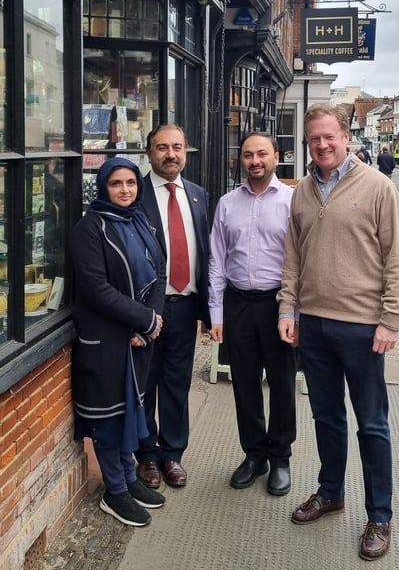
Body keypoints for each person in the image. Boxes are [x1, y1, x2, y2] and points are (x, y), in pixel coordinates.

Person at [278, 104, 399, 561]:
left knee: (372, 425)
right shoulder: (302, 192)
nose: (322, 145)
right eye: (314, 139)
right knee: (326, 418)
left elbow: (397, 259)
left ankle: (380, 516)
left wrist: (391, 320)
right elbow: (292, 257)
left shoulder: (378, 187)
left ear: (346, 136)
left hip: (363, 329)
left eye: (329, 137)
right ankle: (331, 491)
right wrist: (287, 309)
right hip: (313, 325)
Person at [70, 157, 166, 527]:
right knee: (109, 418)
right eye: (116, 184)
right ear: (103, 187)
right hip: (106, 341)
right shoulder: (90, 228)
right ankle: (115, 490)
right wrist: (144, 319)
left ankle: (128, 477)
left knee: (131, 410)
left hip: (138, 338)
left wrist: (151, 322)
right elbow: (96, 289)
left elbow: (159, 272)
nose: (125, 190)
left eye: (130, 183)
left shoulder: (140, 220)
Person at [209, 132, 297, 497]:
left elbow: (301, 261)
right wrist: (216, 313)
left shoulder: (294, 201)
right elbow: (217, 259)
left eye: (262, 154)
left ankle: (280, 457)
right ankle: (254, 455)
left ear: (276, 157)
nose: (255, 161)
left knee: (281, 384)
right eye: (248, 155)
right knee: (244, 385)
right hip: (238, 305)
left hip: (279, 305)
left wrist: (294, 311)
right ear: (240, 159)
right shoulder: (227, 204)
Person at [135, 125, 211, 489]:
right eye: (162, 147)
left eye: (177, 147)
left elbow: (206, 253)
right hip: (147, 309)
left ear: (186, 152)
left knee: (178, 384)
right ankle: (147, 455)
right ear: (149, 153)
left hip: (185, 306)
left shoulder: (197, 196)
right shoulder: (134, 195)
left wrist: (211, 313)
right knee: (145, 383)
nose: (170, 154)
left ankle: (173, 454)